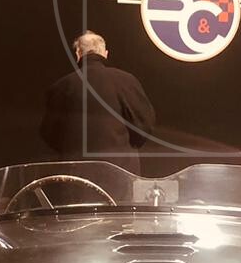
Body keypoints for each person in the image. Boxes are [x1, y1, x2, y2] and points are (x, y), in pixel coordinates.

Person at [39, 31, 156, 165]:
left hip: (75, 171)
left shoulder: (61, 86)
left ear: (78, 54)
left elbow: (49, 133)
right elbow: (144, 123)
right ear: (105, 53)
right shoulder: (126, 80)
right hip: (120, 171)